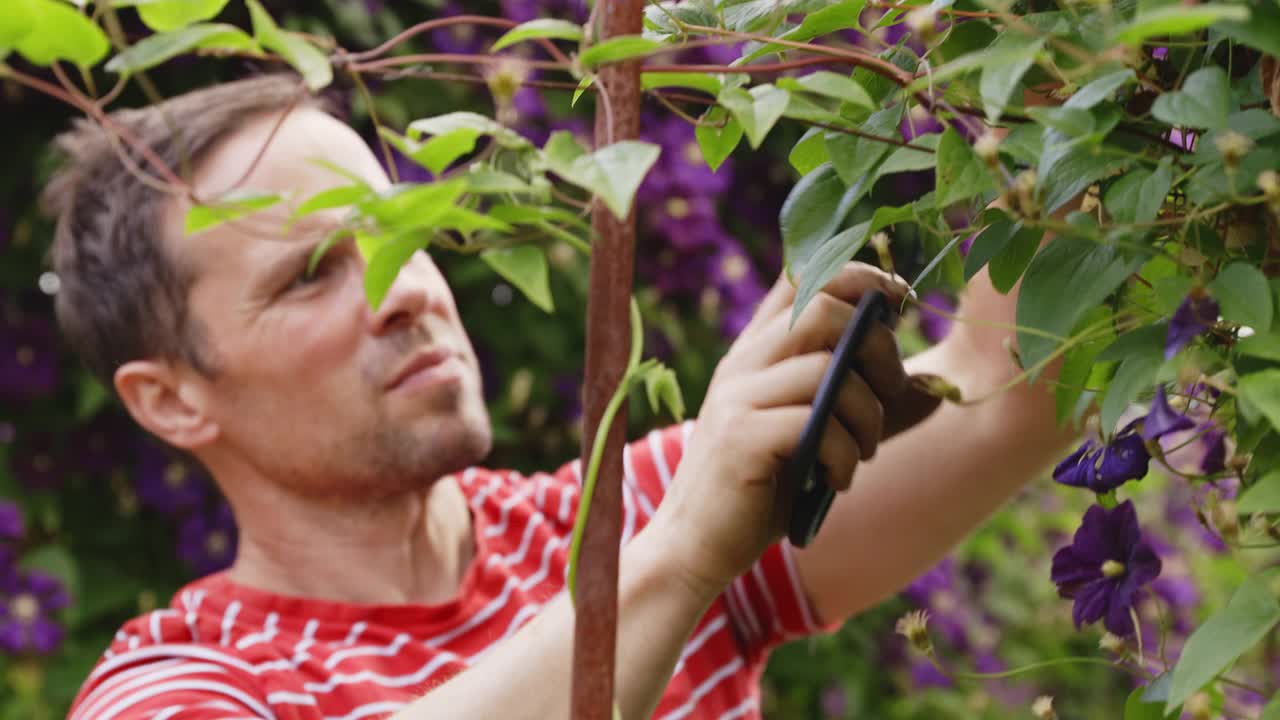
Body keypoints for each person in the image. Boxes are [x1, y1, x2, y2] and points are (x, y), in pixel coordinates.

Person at [43, 73, 1074, 720]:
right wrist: (676, 557)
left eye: (399, 227)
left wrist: (1059, 69)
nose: (403, 287)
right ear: (170, 400)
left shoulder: (606, 525)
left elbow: (1015, 378)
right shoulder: (179, 685)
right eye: (310, 272)